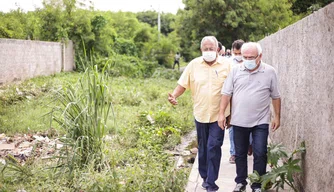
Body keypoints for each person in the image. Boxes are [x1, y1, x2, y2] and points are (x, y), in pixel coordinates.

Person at [168, 36, 232, 192]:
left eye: (211, 48)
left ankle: (211, 183)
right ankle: (204, 177)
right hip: (201, 113)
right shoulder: (194, 65)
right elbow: (183, 84)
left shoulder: (228, 65)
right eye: (206, 49)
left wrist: (231, 115)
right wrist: (174, 96)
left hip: (220, 115)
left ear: (218, 49)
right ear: (201, 50)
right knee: (203, 147)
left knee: (214, 147)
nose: (209, 51)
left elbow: (234, 90)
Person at [218, 42, 281, 192]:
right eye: (244, 57)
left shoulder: (270, 72)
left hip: (260, 121)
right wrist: (221, 114)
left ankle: (257, 185)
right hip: (239, 121)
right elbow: (226, 93)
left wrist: (277, 116)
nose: (247, 60)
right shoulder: (235, 70)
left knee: (260, 153)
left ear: (260, 56)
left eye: (251, 57)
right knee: (240, 154)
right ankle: (240, 182)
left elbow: (276, 96)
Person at [228, 39, 253, 164]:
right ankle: (234, 153)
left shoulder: (252, 62)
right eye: (235, 53)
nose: (237, 56)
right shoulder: (229, 64)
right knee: (232, 126)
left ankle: (249, 144)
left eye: (239, 53)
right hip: (234, 100)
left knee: (250, 124)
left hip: (249, 100)